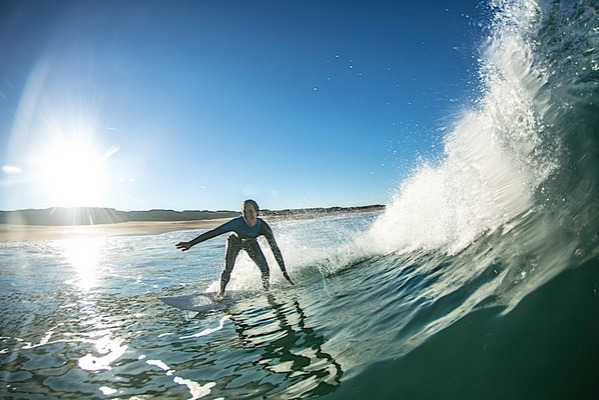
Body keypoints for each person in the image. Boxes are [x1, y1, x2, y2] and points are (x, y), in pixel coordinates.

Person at [176, 199, 294, 300]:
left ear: (257, 213)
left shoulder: (263, 227)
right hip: (234, 242)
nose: (247, 215)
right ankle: (221, 293)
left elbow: (275, 249)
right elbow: (214, 233)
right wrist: (191, 243)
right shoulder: (236, 223)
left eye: (250, 211)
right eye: (244, 212)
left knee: (265, 269)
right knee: (228, 269)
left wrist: (283, 271)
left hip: (251, 243)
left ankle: (266, 289)